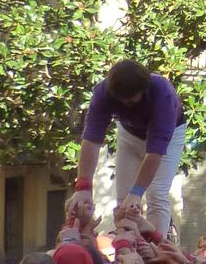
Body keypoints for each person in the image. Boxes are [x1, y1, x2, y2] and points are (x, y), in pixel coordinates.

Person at [67, 60, 187, 237]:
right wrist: (83, 186)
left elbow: (155, 151)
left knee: (156, 193)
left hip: (171, 135)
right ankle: (126, 245)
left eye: (131, 99)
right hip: (129, 133)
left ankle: (156, 248)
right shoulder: (103, 92)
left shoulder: (162, 94)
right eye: (120, 99)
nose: (125, 103)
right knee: (124, 198)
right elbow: (91, 139)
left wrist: (138, 192)